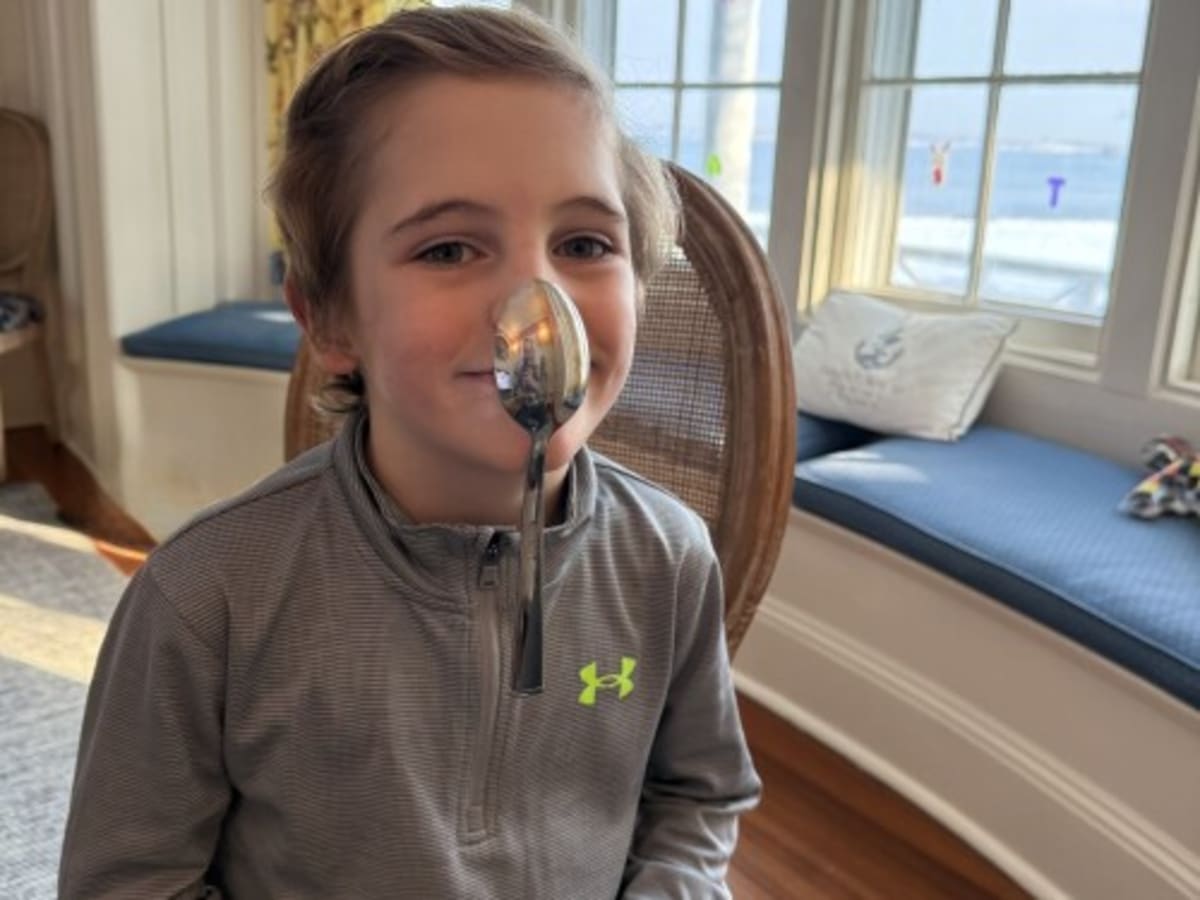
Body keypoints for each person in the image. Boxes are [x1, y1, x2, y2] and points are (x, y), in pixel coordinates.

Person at [59, 6, 760, 898]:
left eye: (584, 243)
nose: (537, 302)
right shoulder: (208, 600)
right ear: (330, 319)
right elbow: (127, 882)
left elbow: (698, 798)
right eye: (450, 247)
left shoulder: (670, 562)